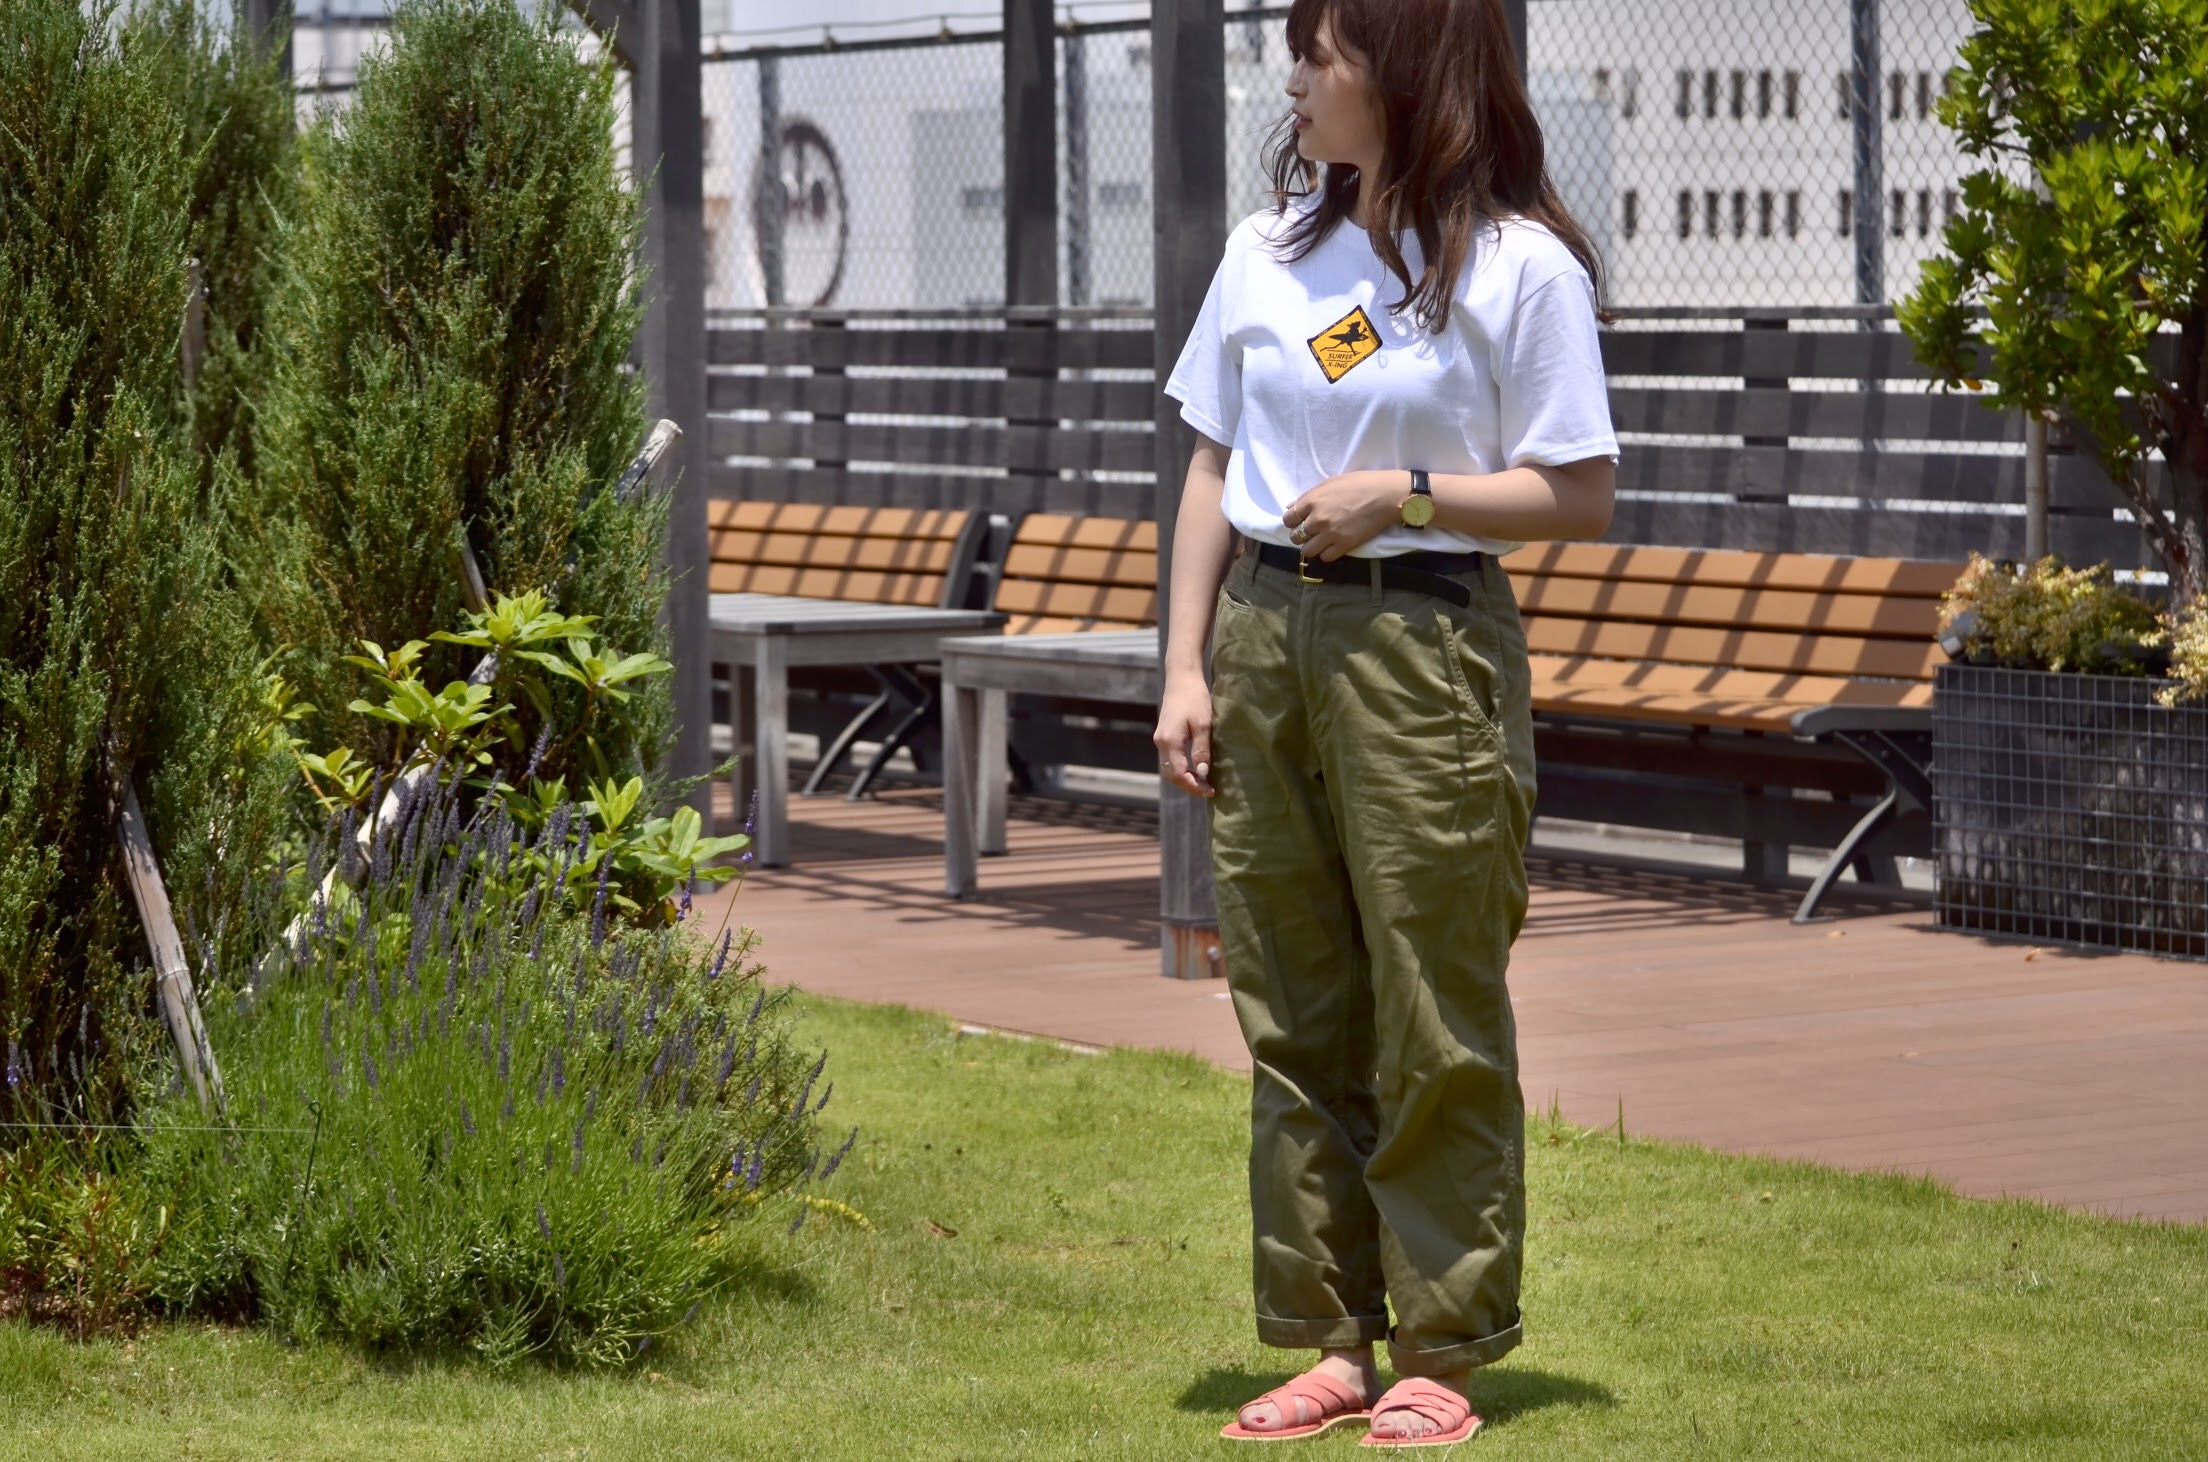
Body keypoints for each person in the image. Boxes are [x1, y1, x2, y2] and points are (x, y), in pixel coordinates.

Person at [1153, 0, 1618, 1445]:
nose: (1296, 78)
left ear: (1407, 74)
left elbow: (1579, 491)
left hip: (1422, 645)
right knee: (1291, 1003)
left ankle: (1443, 1343)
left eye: (1325, 53)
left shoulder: (1521, 267)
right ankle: (1326, 1340)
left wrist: (1405, 496)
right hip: (1263, 637)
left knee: (1431, 996)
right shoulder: (1267, 251)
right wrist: (1184, 667)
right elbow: (1211, 464)